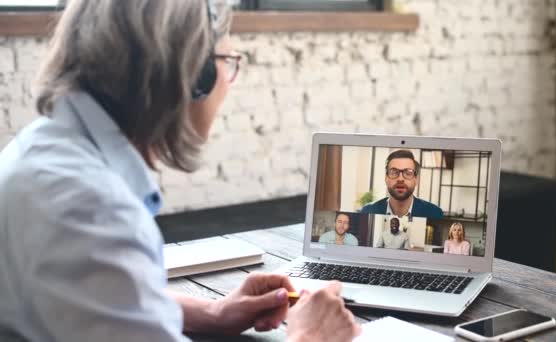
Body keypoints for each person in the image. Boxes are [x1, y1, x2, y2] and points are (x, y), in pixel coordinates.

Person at [0, 1, 360, 341]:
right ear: (194, 74)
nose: (228, 80)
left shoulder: (43, 154)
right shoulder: (91, 208)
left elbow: (90, 299)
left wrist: (213, 311)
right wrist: (311, 333)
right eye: (227, 61)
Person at [360, 149, 443, 219]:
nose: (400, 179)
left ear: (416, 179)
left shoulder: (434, 213)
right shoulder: (368, 211)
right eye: (394, 172)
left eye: (408, 173)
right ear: (386, 178)